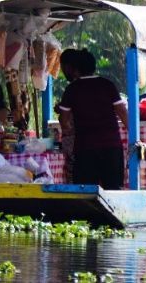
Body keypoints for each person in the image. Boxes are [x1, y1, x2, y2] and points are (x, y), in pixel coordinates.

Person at [57, 49, 129, 190]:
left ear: (76, 69)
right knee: (113, 189)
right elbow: (123, 113)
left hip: (85, 149)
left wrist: (69, 126)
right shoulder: (108, 85)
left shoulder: (71, 89)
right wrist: (135, 137)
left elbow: (64, 122)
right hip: (111, 147)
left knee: (85, 191)